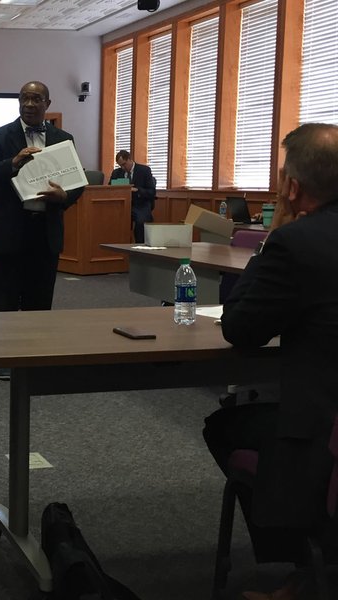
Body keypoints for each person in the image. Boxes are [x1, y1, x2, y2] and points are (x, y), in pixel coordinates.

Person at [203, 123, 338, 599]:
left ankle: (304, 560)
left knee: (225, 426)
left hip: (321, 427)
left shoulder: (296, 243)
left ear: (293, 188)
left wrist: (274, 235)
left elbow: (241, 327)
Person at [0, 81, 85, 380]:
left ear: (47, 104)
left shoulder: (64, 138)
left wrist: (64, 198)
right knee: (3, 299)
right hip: (9, 230)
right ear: (19, 102)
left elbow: (77, 183)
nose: (29, 103)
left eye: (36, 98)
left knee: (40, 298)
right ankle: (0, 358)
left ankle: (35, 357)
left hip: (45, 230)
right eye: (25, 98)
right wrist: (12, 163)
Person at [108, 150, 156, 243]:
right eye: (120, 165)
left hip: (140, 204)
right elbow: (109, 189)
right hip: (122, 205)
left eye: (124, 164)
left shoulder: (144, 170)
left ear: (130, 159)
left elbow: (151, 192)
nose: (122, 167)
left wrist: (137, 190)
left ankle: (139, 248)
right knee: (110, 219)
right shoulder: (116, 173)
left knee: (141, 221)